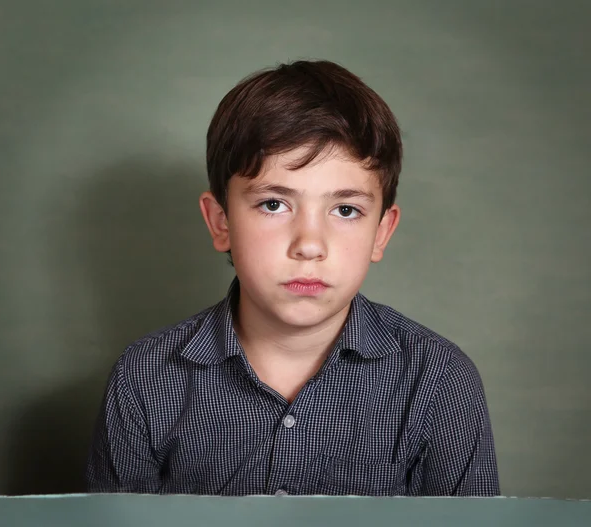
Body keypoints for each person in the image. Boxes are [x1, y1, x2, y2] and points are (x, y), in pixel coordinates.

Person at [86, 60, 500, 496]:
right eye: (273, 205)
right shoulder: (145, 377)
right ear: (221, 222)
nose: (309, 244)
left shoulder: (439, 380)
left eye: (345, 210)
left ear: (381, 233)